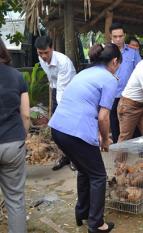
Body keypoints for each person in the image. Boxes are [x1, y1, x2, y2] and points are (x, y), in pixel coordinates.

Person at [49, 43, 122, 233]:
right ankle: (96, 224)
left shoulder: (85, 72)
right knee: (98, 176)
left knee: (84, 170)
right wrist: (105, 140)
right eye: (118, 64)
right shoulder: (109, 78)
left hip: (58, 128)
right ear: (114, 61)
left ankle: (82, 212)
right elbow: (104, 116)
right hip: (75, 131)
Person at [0, 37, 30, 233]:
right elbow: (26, 114)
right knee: (15, 199)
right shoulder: (17, 76)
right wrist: (22, 138)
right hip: (13, 143)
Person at [35, 35, 76, 171]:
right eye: (40, 53)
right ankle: (65, 156)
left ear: (52, 48)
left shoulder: (63, 62)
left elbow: (63, 91)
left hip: (70, 94)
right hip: (56, 90)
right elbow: (52, 82)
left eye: (46, 52)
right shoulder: (41, 58)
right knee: (57, 131)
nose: (44, 56)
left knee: (68, 129)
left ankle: (75, 159)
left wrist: (59, 114)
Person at [109, 23, 141, 143]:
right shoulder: (106, 51)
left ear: (125, 35)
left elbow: (139, 70)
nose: (118, 39)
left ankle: (136, 145)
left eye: (120, 36)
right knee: (115, 122)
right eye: (115, 36)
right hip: (112, 94)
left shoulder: (133, 51)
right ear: (110, 36)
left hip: (129, 94)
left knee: (133, 121)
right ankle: (119, 149)